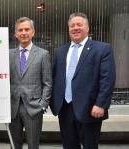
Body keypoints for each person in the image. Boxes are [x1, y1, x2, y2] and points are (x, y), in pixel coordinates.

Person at [50, 12, 116, 149]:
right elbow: (54, 78)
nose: (75, 28)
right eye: (72, 26)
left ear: (87, 28)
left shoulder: (102, 49)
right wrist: (52, 102)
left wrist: (101, 104)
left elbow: (107, 79)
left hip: (90, 108)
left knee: (90, 146)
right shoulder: (59, 52)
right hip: (65, 108)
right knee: (69, 145)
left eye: (79, 25)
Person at [9, 17, 52, 149]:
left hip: (34, 108)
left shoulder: (43, 54)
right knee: (14, 144)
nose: (23, 32)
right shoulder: (8, 54)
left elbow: (48, 83)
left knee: (33, 145)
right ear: (15, 34)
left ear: (33, 32)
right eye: (20, 30)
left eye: (27, 29)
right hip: (12, 107)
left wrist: (43, 105)